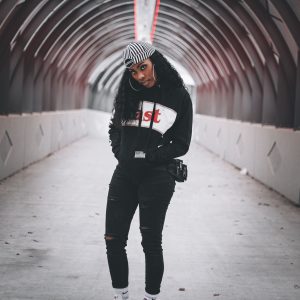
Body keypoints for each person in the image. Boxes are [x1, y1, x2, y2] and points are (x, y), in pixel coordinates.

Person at [104, 41, 193, 300]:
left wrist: (151, 156)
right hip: (124, 175)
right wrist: (121, 153)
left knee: (151, 242)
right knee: (113, 239)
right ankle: (121, 294)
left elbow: (182, 143)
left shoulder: (178, 95)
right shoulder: (127, 94)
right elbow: (115, 128)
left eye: (143, 67)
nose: (140, 75)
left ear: (155, 61)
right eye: (133, 71)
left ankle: (150, 297)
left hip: (158, 176)